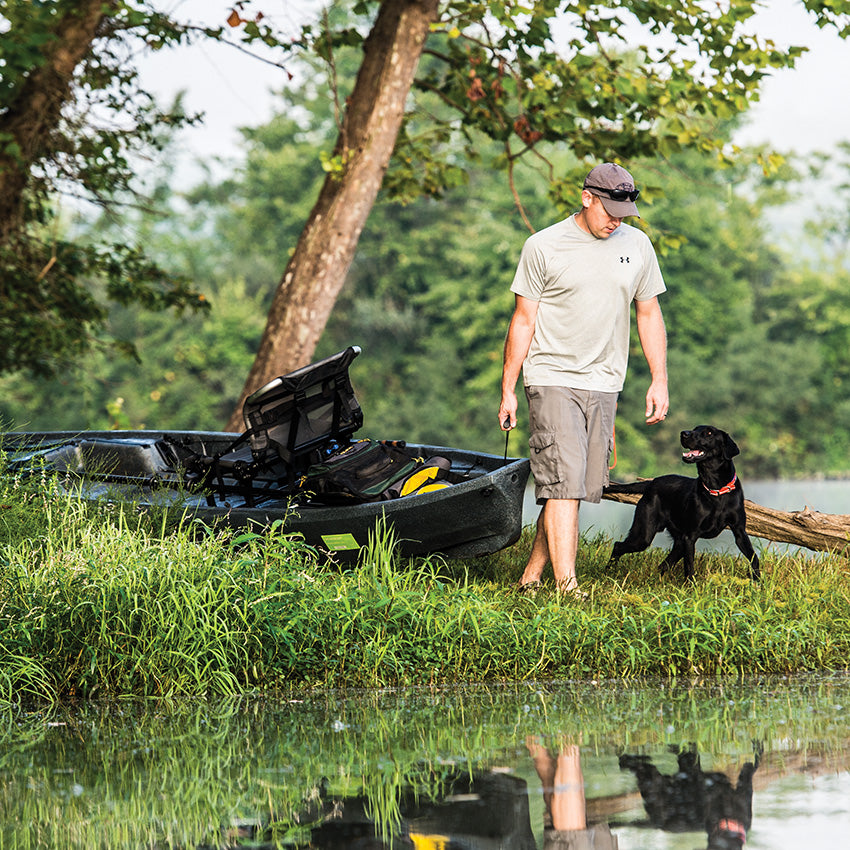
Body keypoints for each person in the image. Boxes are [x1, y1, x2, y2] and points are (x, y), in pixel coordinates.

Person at [499, 162, 668, 596]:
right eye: (609, 210)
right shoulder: (544, 246)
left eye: (624, 212)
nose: (616, 220)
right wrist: (509, 390)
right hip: (552, 375)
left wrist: (658, 379)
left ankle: (530, 578)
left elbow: (648, 312)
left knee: (569, 486)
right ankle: (568, 589)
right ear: (586, 197)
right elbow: (522, 321)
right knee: (563, 482)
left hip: (605, 382)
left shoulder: (637, 245)